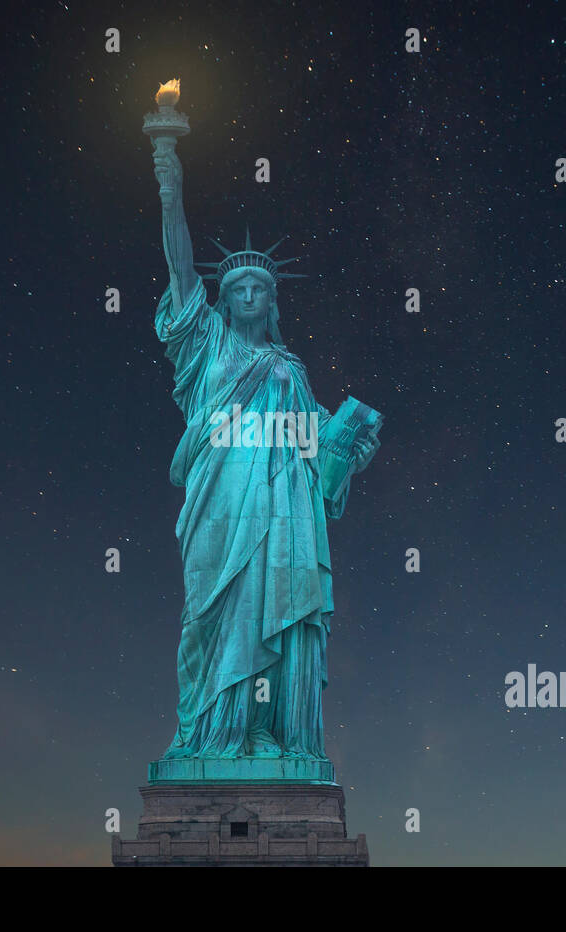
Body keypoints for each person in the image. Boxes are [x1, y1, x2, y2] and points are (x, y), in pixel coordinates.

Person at [150, 142, 377, 760]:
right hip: (220, 497)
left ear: (272, 302)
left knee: (269, 608)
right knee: (215, 612)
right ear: (222, 300)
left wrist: (345, 451)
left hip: (281, 506)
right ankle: (208, 730)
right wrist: (169, 172)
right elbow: (179, 269)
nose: (249, 294)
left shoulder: (289, 369)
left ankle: (261, 729)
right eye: (238, 286)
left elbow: (313, 443)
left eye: (260, 287)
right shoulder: (208, 347)